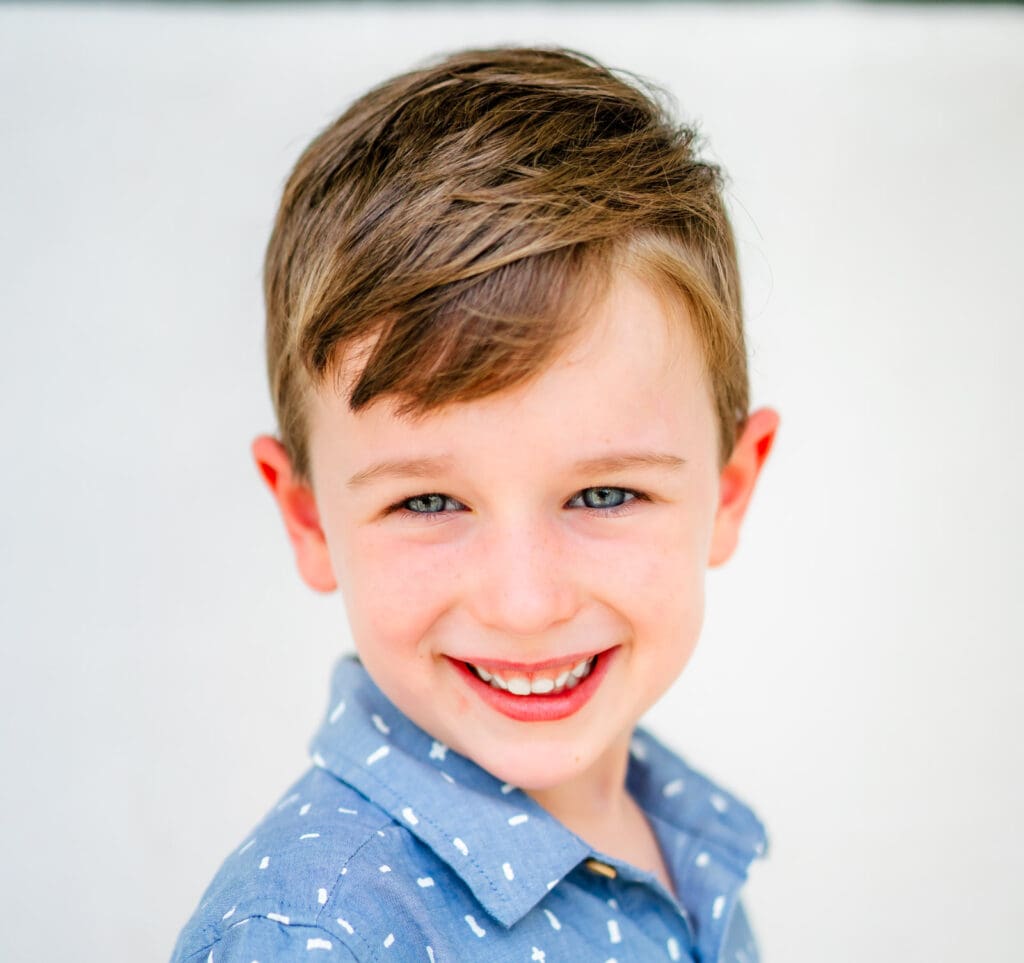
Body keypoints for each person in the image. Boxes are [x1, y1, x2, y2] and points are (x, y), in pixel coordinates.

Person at [171, 46, 778, 963]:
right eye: (428, 502)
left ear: (730, 488)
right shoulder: (312, 935)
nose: (525, 603)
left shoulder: (676, 837)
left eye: (605, 493)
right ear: (306, 518)